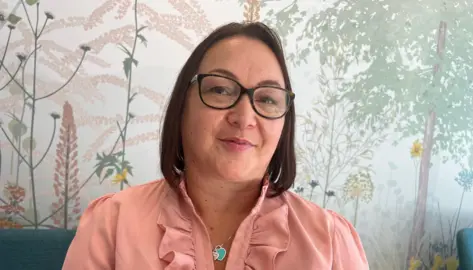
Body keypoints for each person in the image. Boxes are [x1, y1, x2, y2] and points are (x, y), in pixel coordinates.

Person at [62, 22, 369, 270]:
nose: (244, 117)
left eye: (267, 99)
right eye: (221, 90)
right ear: (183, 106)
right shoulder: (112, 225)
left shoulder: (329, 242)